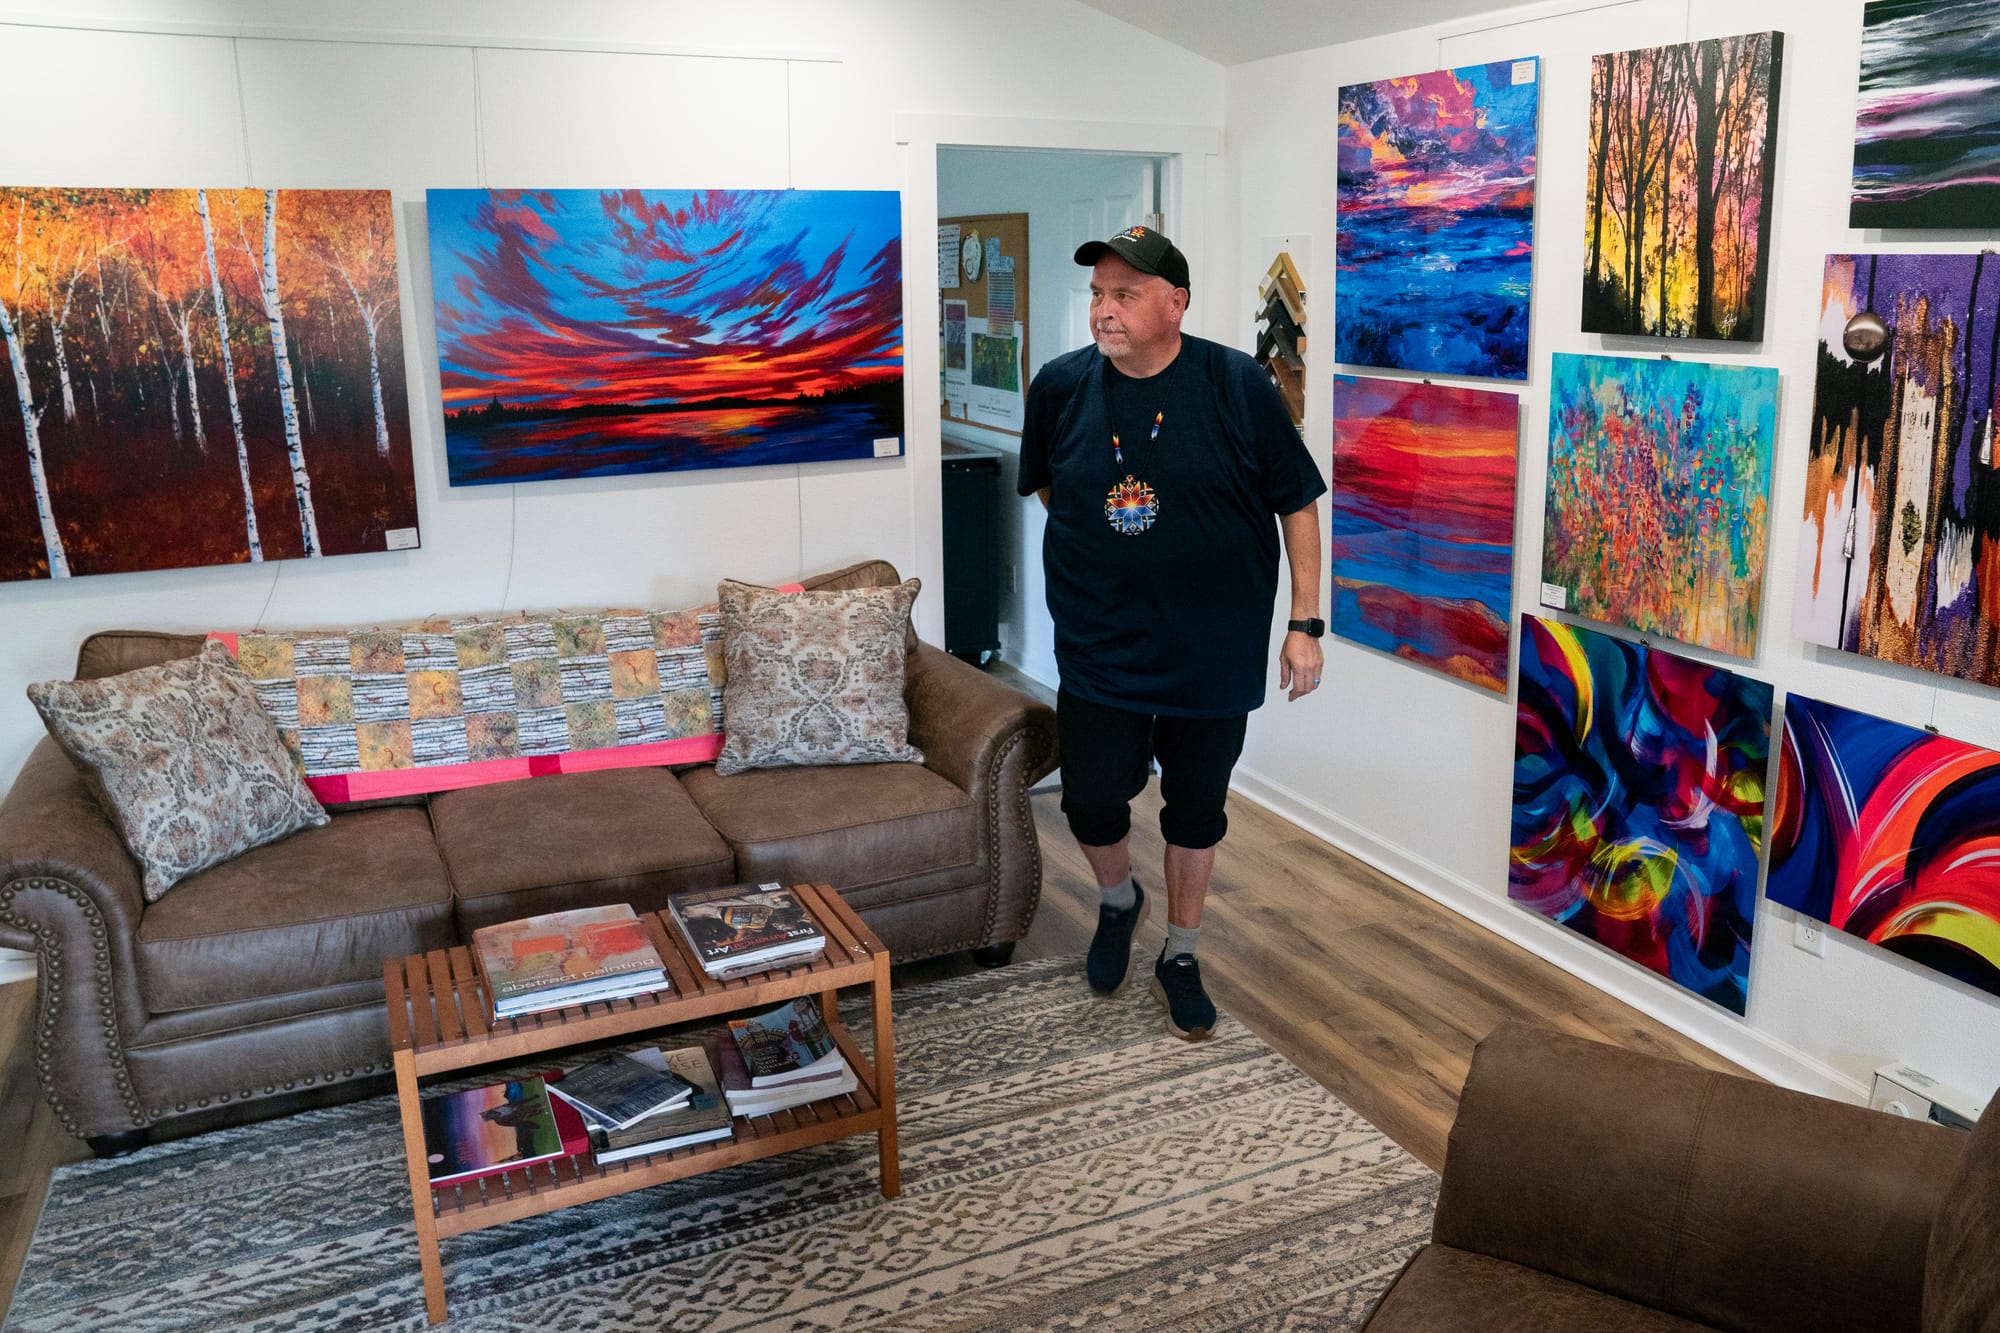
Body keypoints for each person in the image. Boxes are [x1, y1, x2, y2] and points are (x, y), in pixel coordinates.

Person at [1017, 225, 1326, 1041]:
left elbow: (1296, 502)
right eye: (1096, 296)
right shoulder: (1058, 387)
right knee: (1089, 798)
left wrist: (1304, 622)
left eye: (1122, 295)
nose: (1103, 312)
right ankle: (1119, 901)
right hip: (1099, 643)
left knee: (1196, 811)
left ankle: (1180, 952)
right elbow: (1050, 485)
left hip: (1211, 650)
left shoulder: (1236, 387)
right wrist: (1114, 552)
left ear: (1174, 303)